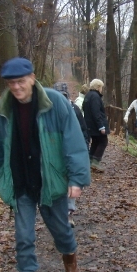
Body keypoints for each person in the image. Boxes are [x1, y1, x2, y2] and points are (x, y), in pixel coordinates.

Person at [0, 57, 91, 272]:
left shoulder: (55, 103)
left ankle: (70, 259)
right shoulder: (1, 111)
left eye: (21, 81)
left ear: (32, 78)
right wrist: (0, 180)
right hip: (21, 182)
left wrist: (76, 180)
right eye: (11, 83)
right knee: (23, 238)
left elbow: (74, 142)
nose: (16, 88)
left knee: (61, 230)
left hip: (50, 181)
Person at [57, 88, 90, 228]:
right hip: (56, 154)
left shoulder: (75, 109)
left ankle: (69, 214)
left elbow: (83, 129)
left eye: (64, 96)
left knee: (71, 182)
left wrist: (84, 147)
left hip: (72, 152)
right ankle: (58, 214)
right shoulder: (49, 111)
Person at [82, 79, 109, 172]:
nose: (102, 89)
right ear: (98, 87)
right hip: (96, 125)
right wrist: (101, 126)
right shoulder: (95, 97)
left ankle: (89, 160)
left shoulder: (88, 95)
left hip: (89, 124)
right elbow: (96, 112)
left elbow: (83, 107)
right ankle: (95, 162)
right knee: (103, 141)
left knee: (95, 142)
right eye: (101, 87)